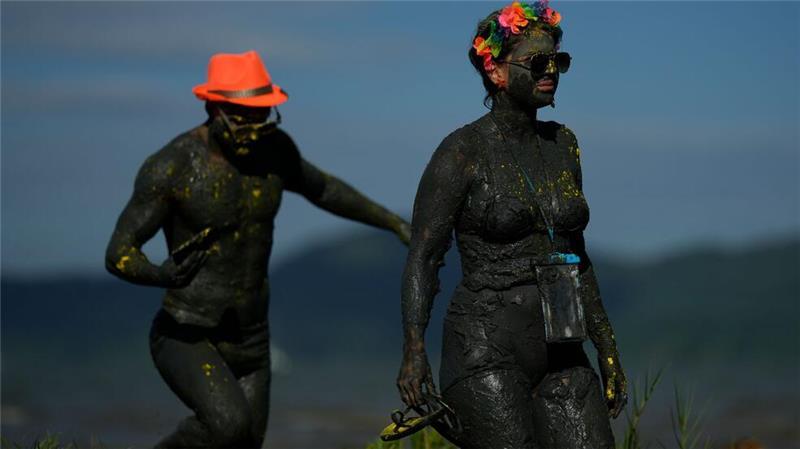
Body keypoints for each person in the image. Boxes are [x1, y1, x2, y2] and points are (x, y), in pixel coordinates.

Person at [105, 50, 411, 449]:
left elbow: (324, 189)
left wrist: (393, 221)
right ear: (214, 107)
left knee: (246, 442)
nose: (254, 127)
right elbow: (119, 253)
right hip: (188, 332)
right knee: (227, 426)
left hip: (252, 337)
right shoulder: (173, 167)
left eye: (262, 115)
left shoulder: (275, 150)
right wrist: (160, 274)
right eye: (243, 117)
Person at [396, 2, 627, 448]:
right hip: (485, 350)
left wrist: (608, 347)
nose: (551, 71)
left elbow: (579, 256)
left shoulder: (564, 144)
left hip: (563, 344)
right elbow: (423, 258)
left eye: (557, 61)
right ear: (496, 72)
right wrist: (414, 351)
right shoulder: (461, 151)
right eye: (537, 63)